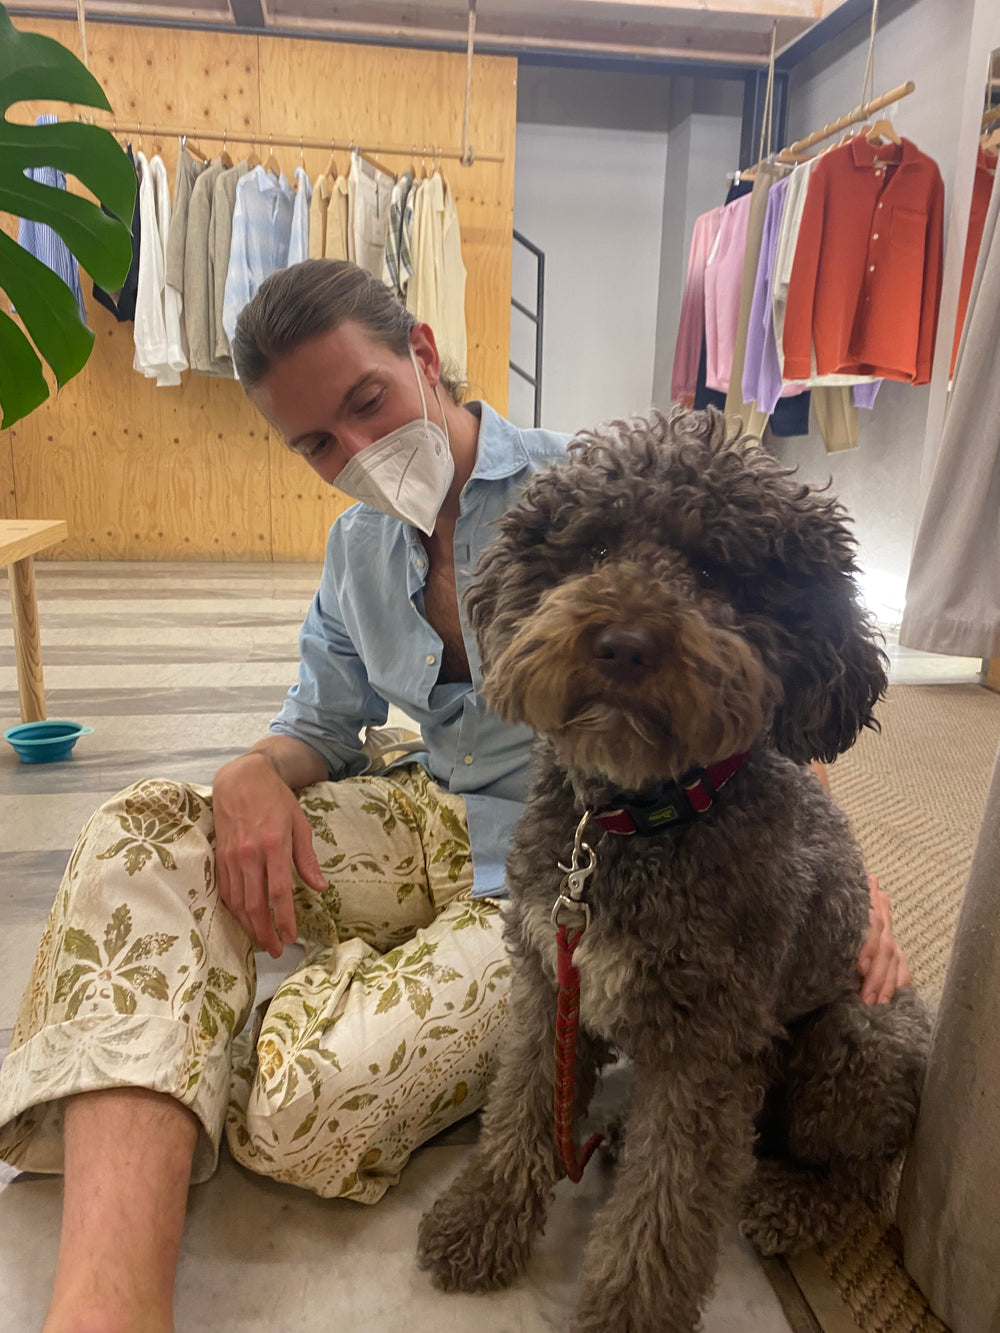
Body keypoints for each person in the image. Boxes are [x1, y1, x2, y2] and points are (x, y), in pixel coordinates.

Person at [0, 259, 910, 1333]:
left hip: (599, 864)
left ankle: (167, 1049)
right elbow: (319, 721)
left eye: (365, 402)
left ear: (423, 354)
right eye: (317, 446)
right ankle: (105, 1306)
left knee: (304, 1113)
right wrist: (251, 768)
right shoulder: (360, 548)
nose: (356, 453)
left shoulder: (589, 488)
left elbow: (770, 690)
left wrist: (863, 887)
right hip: (486, 821)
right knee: (152, 825)